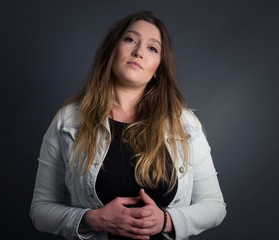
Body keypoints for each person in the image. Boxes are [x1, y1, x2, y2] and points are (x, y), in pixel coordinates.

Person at [30, 10, 226, 240]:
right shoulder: (69, 121)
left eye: (152, 48)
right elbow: (40, 210)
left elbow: (214, 206)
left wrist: (165, 221)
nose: (138, 52)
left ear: (158, 70)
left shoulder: (185, 125)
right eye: (130, 39)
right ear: (112, 51)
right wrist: (92, 219)